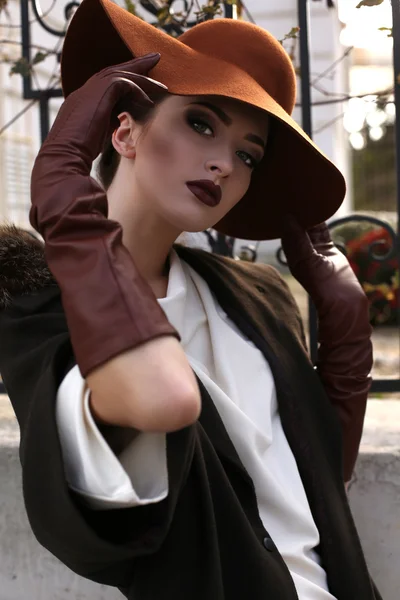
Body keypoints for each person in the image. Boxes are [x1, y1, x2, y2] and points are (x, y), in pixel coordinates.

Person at [0, 0, 380, 598]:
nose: (224, 163)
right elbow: (163, 401)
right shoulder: (43, 311)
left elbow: (315, 486)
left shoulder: (257, 294)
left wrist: (347, 334)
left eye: (248, 153)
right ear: (122, 130)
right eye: (201, 123)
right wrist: (66, 195)